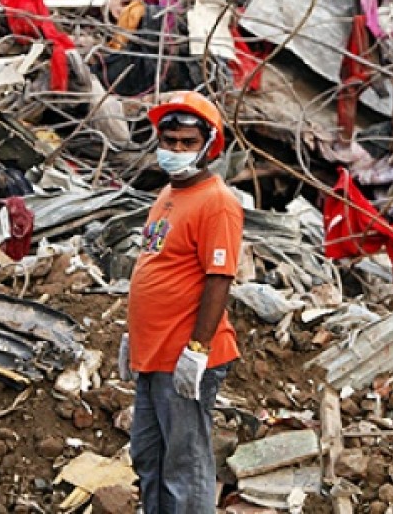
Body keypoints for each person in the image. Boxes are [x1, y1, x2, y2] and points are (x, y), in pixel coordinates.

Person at [119, 91, 243, 514]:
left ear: (209, 147)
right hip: (153, 354)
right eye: (169, 140)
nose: (175, 149)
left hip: (183, 355)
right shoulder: (168, 196)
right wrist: (132, 336)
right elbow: (158, 269)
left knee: (184, 468)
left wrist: (197, 351)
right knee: (148, 456)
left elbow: (219, 279)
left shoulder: (217, 202)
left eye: (187, 143)